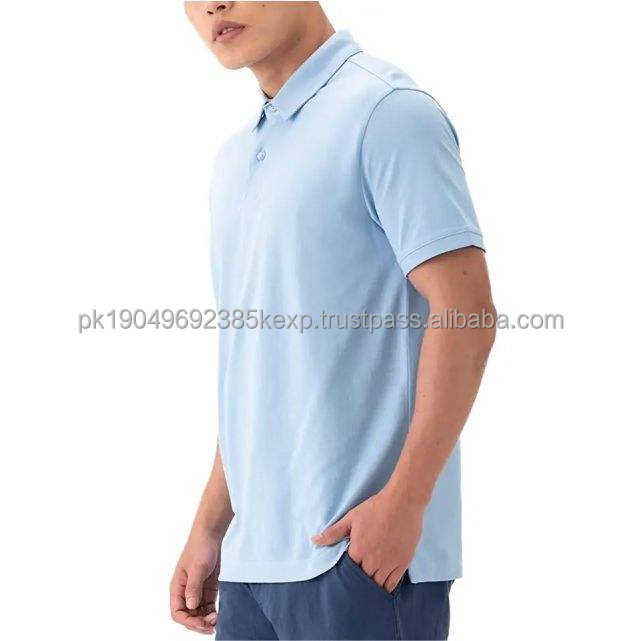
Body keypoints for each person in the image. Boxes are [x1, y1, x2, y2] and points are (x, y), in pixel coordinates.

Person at [172, 2, 496, 639]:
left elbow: (466, 312)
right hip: (252, 563)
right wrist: (212, 525)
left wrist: (405, 503)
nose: (213, 4)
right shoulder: (236, 159)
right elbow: (258, 367)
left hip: (359, 560)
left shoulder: (387, 114)